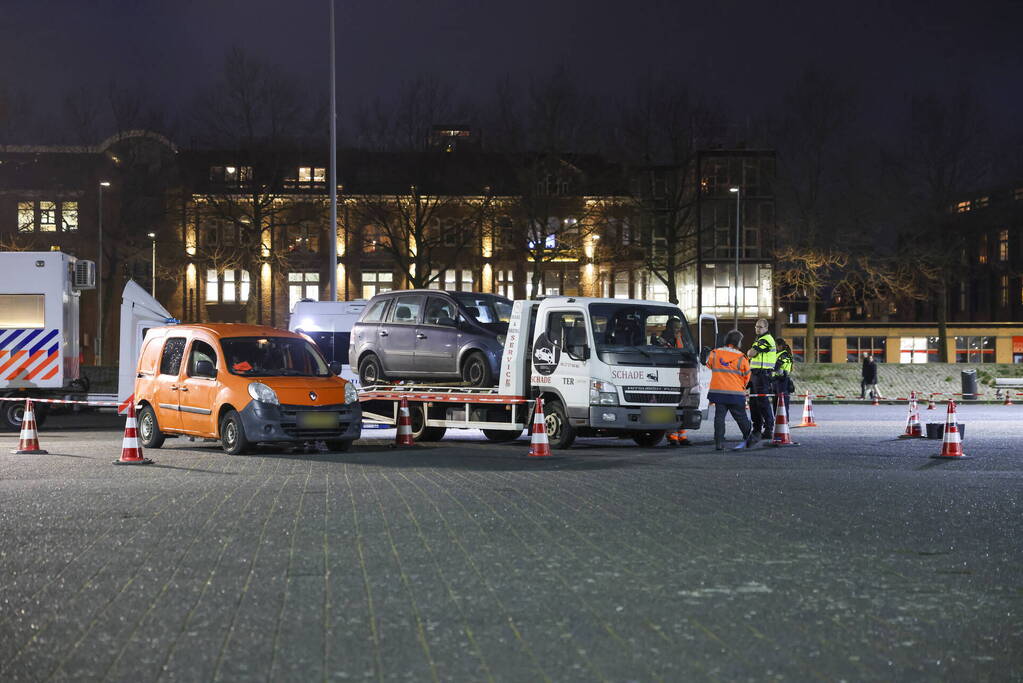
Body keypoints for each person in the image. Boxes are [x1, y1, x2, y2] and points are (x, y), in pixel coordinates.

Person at [705, 329, 753, 450]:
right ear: (738, 342)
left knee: (719, 418)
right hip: (735, 393)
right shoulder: (741, 358)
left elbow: (708, 365)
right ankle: (749, 439)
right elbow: (747, 376)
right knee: (741, 417)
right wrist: (742, 386)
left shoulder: (715, 353)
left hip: (718, 392)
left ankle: (719, 442)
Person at [657, 318, 690, 447]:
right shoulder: (662, 339)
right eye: (676, 327)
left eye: (679, 327)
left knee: (682, 406)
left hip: (681, 376)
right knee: (671, 407)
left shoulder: (682, 338)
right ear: (669, 327)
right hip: (668, 376)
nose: (678, 329)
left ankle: (682, 437)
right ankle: (672, 437)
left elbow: (685, 351)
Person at [746, 318, 777, 440]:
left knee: (762, 402)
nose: (757, 329)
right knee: (754, 402)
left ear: (766, 328)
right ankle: (757, 428)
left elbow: (751, 353)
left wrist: (750, 352)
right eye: (756, 326)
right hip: (756, 375)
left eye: (760, 327)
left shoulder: (766, 339)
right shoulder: (759, 339)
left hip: (762, 375)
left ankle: (768, 429)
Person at [773, 337, 794, 419]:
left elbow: (776, 366)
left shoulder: (784, 355)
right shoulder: (778, 354)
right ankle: (777, 421)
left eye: (775, 345)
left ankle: (784, 421)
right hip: (777, 380)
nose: (774, 347)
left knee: (782, 403)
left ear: (780, 346)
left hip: (782, 381)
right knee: (776, 402)